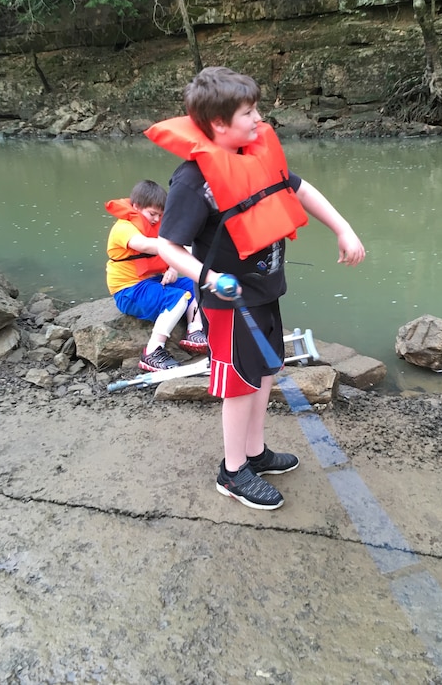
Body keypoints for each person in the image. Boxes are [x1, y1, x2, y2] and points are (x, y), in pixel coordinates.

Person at [145, 67, 365, 510]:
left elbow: (299, 189)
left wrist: (343, 228)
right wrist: (207, 278)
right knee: (240, 384)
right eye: (250, 112)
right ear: (219, 124)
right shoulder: (192, 180)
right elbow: (167, 246)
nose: (260, 119)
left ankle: (254, 452)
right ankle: (232, 470)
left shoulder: (254, 152)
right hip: (229, 302)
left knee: (264, 374)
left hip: (265, 291)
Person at [105, 179, 208, 371]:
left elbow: (168, 254)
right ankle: (152, 351)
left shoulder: (157, 224)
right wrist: (177, 248)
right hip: (129, 290)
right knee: (178, 298)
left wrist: (172, 267)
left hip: (154, 281)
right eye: (152, 214)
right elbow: (143, 245)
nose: (155, 219)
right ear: (136, 206)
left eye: (159, 215)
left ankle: (195, 331)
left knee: (196, 284)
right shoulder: (123, 227)